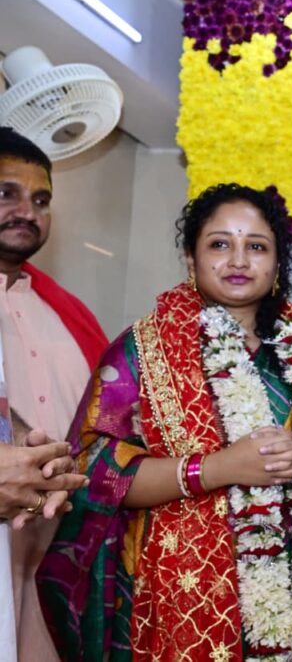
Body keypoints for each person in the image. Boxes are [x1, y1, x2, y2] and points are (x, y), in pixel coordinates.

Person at [39, 184, 292, 660]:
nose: (239, 259)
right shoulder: (142, 351)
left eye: (256, 246)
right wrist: (219, 469)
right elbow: (95, 472)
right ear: (191, 260)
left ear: (276, 263)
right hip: (186, 586)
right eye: (220, 243)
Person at [1, 126, 103, 661]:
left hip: (59, 547)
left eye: (41, 200)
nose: (27, 211)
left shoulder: (70, 313)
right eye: (6, 193)